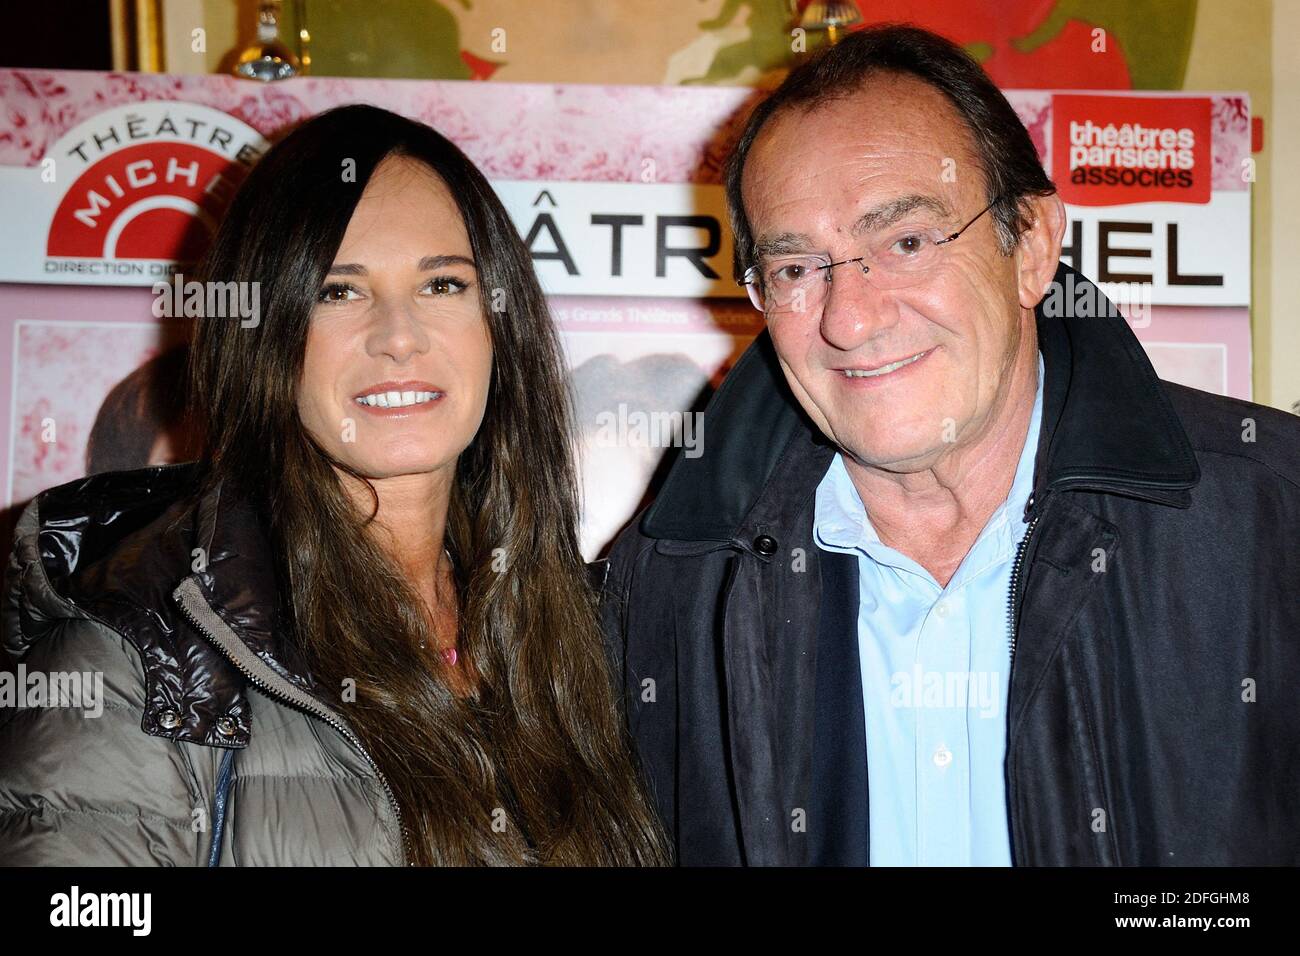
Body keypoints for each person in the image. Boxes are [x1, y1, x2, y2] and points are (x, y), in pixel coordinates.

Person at [597, 25, 1300, 865]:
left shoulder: (1273, 521)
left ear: (1031, 245)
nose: (849, 319)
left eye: (905, 242)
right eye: (794, 269)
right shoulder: (667, 586)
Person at [0, 104, 669, 866]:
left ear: (498, 323)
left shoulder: (586, 631)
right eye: (338, 291)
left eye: (443, 284)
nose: (399, 335)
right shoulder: (136, 653)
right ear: (267, 337)